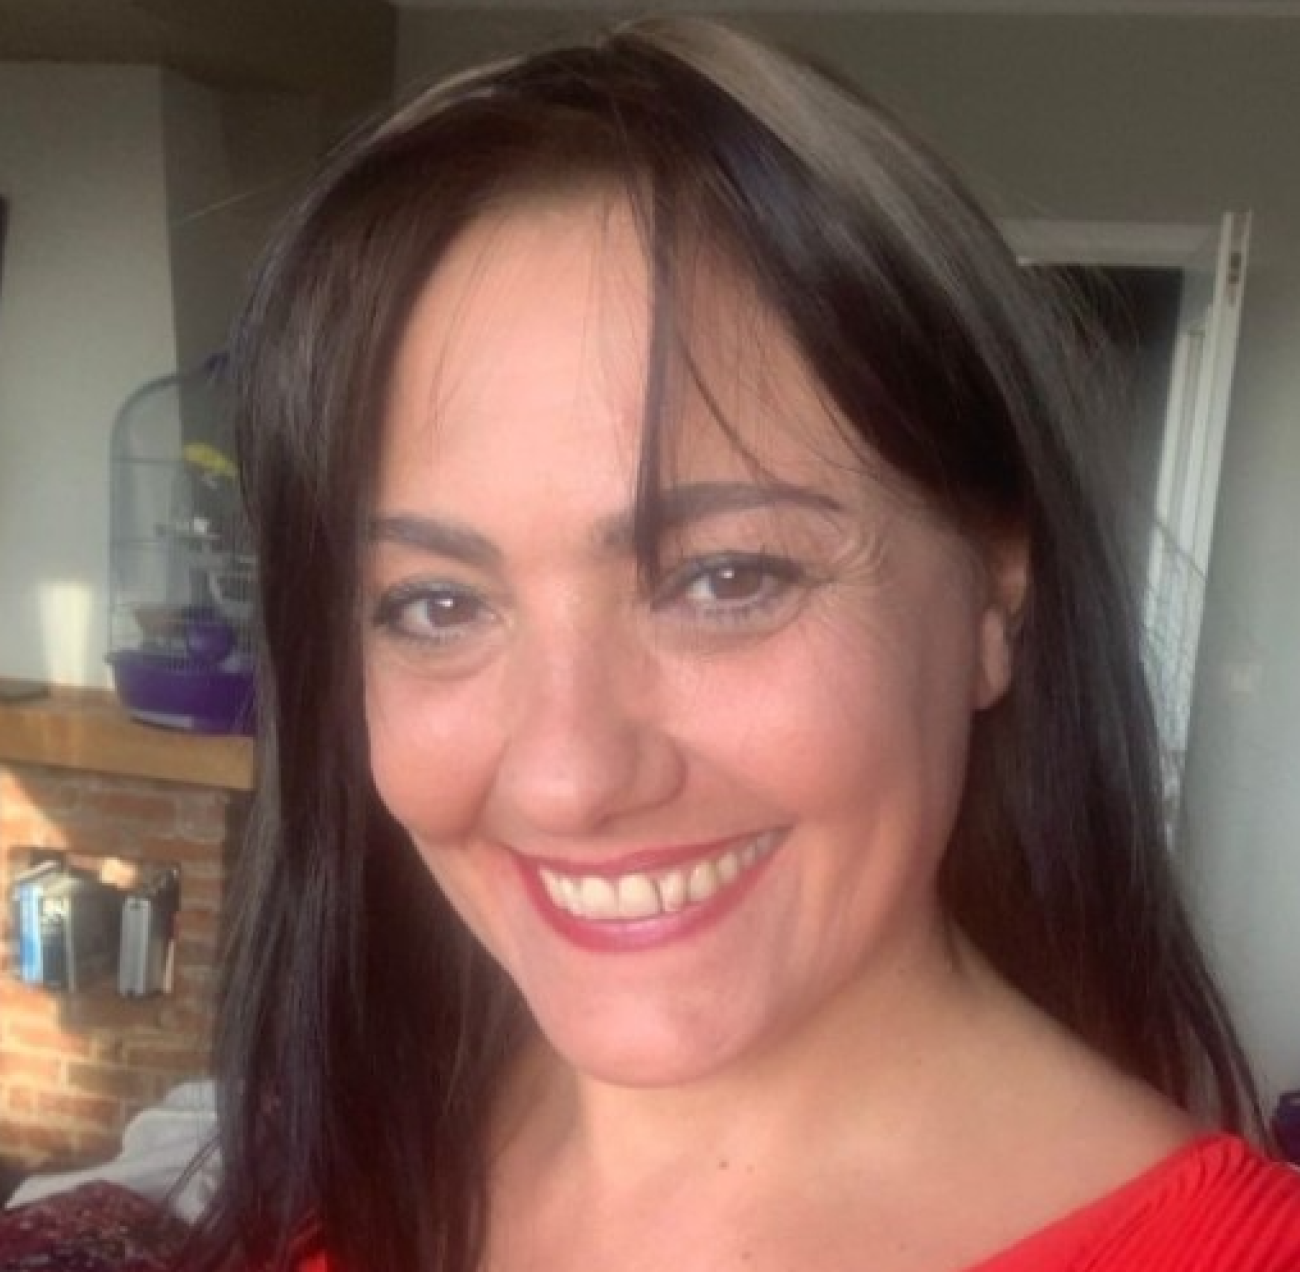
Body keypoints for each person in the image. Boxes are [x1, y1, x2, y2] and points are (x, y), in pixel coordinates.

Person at [185, 17, 1300, 1272]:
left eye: (725, 578)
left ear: (994, 591)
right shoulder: (359, 1147)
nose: (566, 777)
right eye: (436, 605)